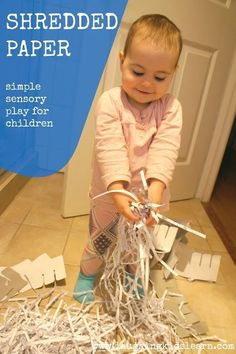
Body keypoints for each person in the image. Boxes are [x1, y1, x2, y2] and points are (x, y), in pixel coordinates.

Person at [74, 14, 183, 303]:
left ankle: (132, 275)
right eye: (137, 71)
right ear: (122, 61)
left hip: (148, 199)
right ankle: (86, 276)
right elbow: (109, 148)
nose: (148, 83)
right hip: (109, 194)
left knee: (138, 244)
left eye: (160, 77)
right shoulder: (111, 101)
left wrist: (155, 194)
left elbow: (166, 149)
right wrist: (120, 194)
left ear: (172, 74)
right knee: (101, 238)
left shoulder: (171, 108)